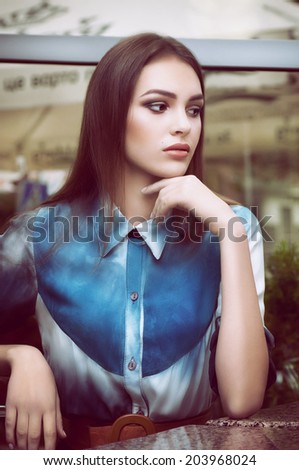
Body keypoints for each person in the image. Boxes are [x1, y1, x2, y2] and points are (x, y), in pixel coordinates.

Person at [0, 32, 275, 450]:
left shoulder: (232, 227)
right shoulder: (39, 234)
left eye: (195, 109)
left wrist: (228, 231)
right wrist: (19, 356)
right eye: (158, 105)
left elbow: (242, 400)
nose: (184, 123)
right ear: (110, 115)